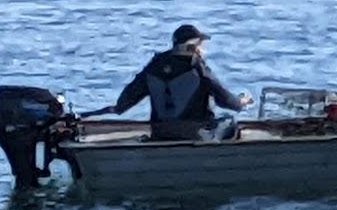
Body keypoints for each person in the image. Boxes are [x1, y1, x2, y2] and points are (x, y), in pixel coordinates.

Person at [96, 24, 253, 141]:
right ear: (193, 47)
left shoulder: (154, 66)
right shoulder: (197, 67)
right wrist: (241, 102)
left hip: (160, 133)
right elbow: (226, 101)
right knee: (228, 120)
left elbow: (124, 102)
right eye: (201, 45)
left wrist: (115, 109)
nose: (203, 49)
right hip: (195, 134)